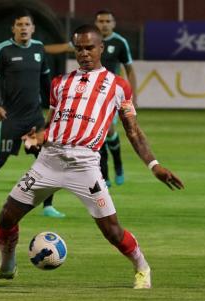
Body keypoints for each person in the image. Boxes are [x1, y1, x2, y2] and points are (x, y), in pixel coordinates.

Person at [0, 25, 184, 289]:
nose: (83, 53)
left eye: (89, 48)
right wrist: (36, 138)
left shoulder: (118, 87)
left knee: (112, 231)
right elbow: (52, 124)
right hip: (48, 162)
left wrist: (154, 165)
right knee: (5, 218)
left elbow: (134, 131)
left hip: (85, 165)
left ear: (101, 48)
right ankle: (6, 267)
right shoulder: (60, 83)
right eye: (79, 48)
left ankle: (142, 268)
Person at [0, 9, 65, 219]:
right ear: (13, 29)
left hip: (34, 119)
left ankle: (48, 206)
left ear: (33, 29)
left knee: (48, 159)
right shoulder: (3, 50)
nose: (23, 29)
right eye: (19, 25)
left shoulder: (38, 49)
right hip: (11, 118)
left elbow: (46, 80)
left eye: (27, 25)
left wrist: (56, 105)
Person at [45, 9, 137, 187]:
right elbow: (64, 47)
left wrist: (132, 96)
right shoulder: (87, 40)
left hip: (109, 94)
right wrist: (39, 48)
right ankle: (105, 175)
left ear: (113, 24)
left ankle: (117, 164)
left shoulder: (120, 42)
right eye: (101, 21)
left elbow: (130, 69)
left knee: (108, 131)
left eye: (107, 21)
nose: (104, 24)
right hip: (90, 94)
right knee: (97, 134)